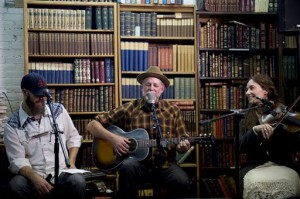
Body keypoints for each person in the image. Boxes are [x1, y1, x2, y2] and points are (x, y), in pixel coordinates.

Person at [87, 66, 192, 198]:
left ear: (162, 89)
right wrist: (115, 139)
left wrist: (183, 147)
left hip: (165, 166)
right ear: (142, 87)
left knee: (182, 181)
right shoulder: (129, 108)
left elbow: (182, 140)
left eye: (155, 85)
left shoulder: (173, 111)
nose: (151, 88)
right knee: (127, 166)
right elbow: (92, 125)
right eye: (147, 84)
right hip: (137, 165)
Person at [3, 73, 86, 199]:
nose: (42, 100)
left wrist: (71, 163)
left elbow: (73, 138)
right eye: (38, 96)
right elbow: (17, 160)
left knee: (78, 181)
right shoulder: (12, 125)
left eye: (44, 95)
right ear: (25, 93)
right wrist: (35, 178)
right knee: (16, 185)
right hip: (33, 174)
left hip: (61, 172)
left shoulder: (58, 111)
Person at [239, 74, 300, 199]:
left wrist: (286, 130)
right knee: (252, 184)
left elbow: (295, 146)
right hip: (254, 165)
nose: (247, 92)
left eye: (251, 88)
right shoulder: (244, 119)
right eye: (246, 90)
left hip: (283, 164)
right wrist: (254, 131)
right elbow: (239, 146)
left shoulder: (282, 112)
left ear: (265, 90)